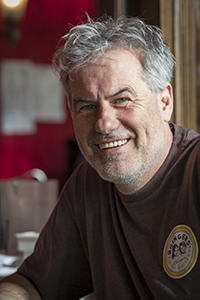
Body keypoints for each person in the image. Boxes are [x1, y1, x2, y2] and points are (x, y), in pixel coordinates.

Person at [0, 14, 200, 300]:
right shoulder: (87, 185)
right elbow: (32, 284)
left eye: (122, 100)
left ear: (164, 102)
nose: (104, 123)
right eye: (87, 106)